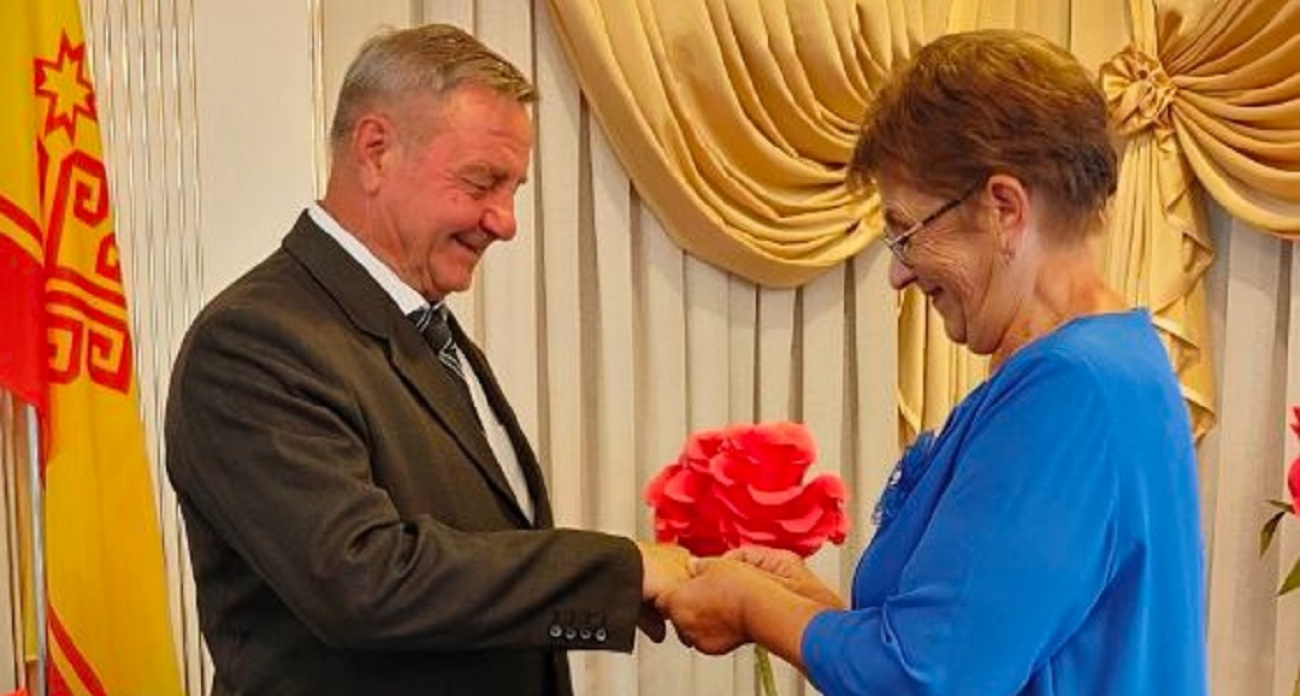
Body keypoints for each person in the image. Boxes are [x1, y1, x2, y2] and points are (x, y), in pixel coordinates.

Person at [656, 29, 1208, 696]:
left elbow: (930, 679)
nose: (898, 273)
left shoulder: (1071, 389)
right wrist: (808, 605)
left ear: (1003, 209)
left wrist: (754, 607)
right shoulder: (1112, 362)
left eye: (906, 233)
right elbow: (976, 643)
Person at [165, 23, 688, 696]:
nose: (505, 221)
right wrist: (625, 573)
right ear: (375, 151)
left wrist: (635, 587)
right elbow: (362, 579)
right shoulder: (253, 341)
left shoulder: (426, 329)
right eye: (481, 182)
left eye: (514, 189)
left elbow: (479, 561)